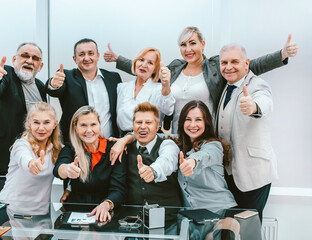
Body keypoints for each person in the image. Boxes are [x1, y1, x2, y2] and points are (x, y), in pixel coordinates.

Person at [104, 27, 298, 134]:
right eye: (183, 44)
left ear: (202, 44)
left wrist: (281, 54)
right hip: (177, 136)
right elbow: (147, 69)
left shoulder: (215, 67)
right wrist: (118, 59)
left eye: (193, 43)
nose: (188, 49)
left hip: (205, 135)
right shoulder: (175, 67)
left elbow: (249, 65)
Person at [216, 43, 278, 221]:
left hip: (253, 175)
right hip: (228, 175)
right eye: (224, 62)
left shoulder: (258, 84)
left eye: (234, 61)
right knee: (230, 228)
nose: (228, 67)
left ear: (247, 63)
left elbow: (265, 102)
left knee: (249, 228)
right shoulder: (225, 87)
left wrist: (254, 107)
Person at [0, 43, 47, 199]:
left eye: (35, 58)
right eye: (25, 56)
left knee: (22, 213)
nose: (29, 60)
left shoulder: (41, 87)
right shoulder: (6, 74)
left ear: (40, 66)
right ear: (15, 59)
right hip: (0, 159)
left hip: (29, 162)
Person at [53, 106, 127, 222]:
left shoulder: (113, 150)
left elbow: (118, 190)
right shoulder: (70, 148)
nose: (89, 130)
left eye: (93, 124)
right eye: (83, 125)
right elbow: (58, 169)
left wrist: (106, 205)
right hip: (75, 214)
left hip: (105, 215)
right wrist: (67, 169)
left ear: (100, 124)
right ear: (75, 127)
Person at [46, 38, 121, 143]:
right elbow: (54, 91)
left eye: (91, 53)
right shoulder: (67, 77)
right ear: (74, 59)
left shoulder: (113, 78)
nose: (86, 58)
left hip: (109, 146)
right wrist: (53, 84)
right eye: (81, 54)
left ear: (98, 56)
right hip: (77, 147)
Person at [0, 102, 62, 215]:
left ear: (54, 124)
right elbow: (23, 157)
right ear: (29, 123)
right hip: (10, 212)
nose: (41, 128)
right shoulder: (21, 145)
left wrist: (69, 188)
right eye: (36, 122)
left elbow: (68, 166)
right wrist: (31, 164)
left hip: (41, 215)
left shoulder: (58, 149)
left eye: (46, 122)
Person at [177, 100, 236, 212]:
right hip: (193, 216)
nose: (192, 125)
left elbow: (206, 155)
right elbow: (154, 136)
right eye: (188, 119)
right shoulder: (179, 145)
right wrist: (133, 136)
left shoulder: (214, 145)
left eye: (198, 119)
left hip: (220, 213)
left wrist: (192, 161)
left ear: (206, 123)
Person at [125, 102, 181, 208]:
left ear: (157, 127)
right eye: (139, 122)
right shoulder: (126, 147)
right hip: (132, 219)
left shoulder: (168, 145)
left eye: (148, 122)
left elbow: (167, 161)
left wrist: (153, 171)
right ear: (133, 126)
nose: (142, 126)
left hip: (167, 218)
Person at [116, 47, 175, 136]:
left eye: (150, 63)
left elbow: (168, 110)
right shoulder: (122, 87)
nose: (144, 65)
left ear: (155, 69)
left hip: (149, 139)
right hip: (123, 141)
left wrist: (166, 84)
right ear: (135, 62)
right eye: (141, 60)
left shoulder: (159, 89)